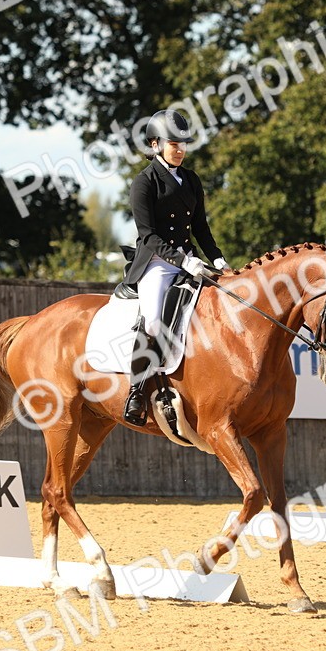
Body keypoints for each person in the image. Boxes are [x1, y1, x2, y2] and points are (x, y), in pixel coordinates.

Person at [122, 109, 229, 426]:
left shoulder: (192, 180)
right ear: (155, 144)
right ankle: (137, 391)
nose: (180, 149)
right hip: (156, 263)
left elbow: (201, 228)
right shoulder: (144, 183)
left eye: (184, 144)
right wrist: (183, 260)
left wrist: (218, 259)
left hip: (191, 262)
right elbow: (149, 237)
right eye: (173, 143)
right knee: (155, 321)